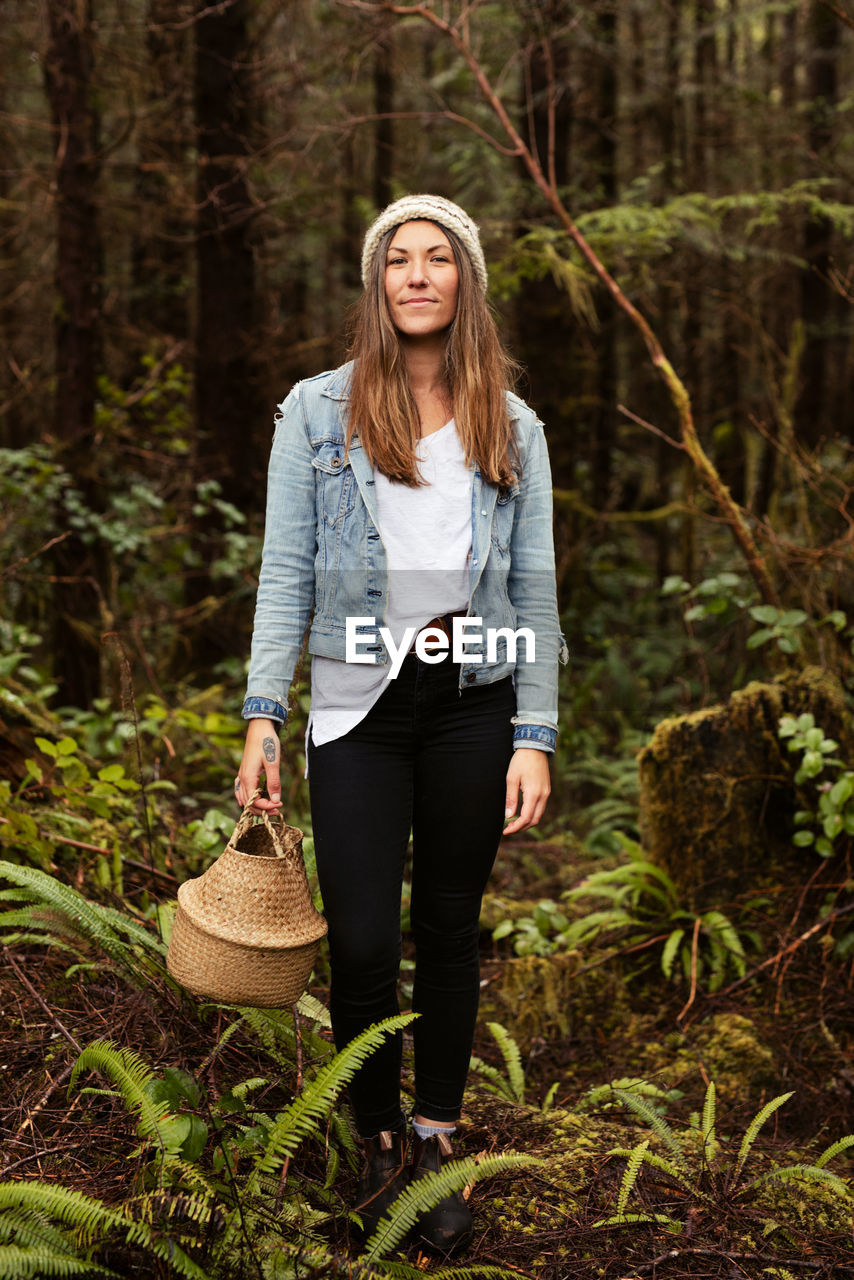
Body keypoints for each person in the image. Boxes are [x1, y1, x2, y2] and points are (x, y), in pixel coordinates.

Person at [236, 194, 564, 1254]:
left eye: (438, 259)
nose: (417, 275)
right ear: (377, 283)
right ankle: (372, 1138)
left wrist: (534, 730)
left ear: (463, 280)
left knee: (449, 931)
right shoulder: (315, 412)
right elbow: (285, 570)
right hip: (356, 702)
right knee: (366, 936)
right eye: (398, 260)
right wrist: (261, 714)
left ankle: (433, 1142)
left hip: (471, 697)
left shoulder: (511, 426)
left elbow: (533, 585)